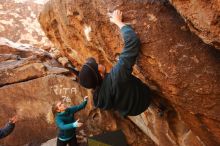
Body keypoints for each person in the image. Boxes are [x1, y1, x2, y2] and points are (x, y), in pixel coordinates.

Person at [78, 10, 153, 117]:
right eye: (96, 65)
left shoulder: (98, 95)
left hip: (130, 110)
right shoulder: (117, 76)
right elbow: (132, 42)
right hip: (144, 99)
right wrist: (118, 22)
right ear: (100, 74)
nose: (98, 62)